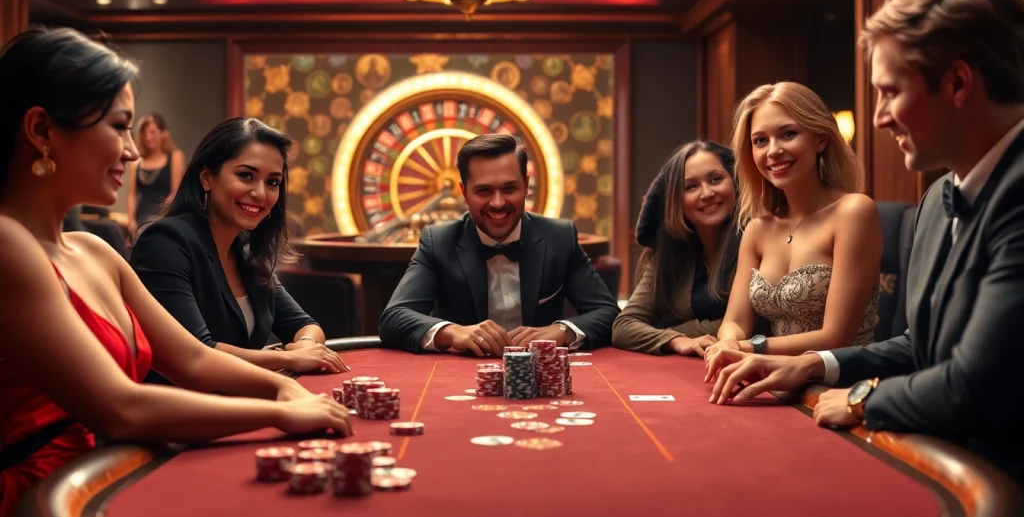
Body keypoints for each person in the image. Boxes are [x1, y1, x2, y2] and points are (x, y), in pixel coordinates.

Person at [0, 27, 351, 515]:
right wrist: (279, 411)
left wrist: (280, 384)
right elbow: (121, 408)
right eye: (119, 126)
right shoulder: (7, 243)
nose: (134, 152)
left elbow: (193, 359)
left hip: (110, 475)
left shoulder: (94, 251)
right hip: (47, 498)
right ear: (41, 131)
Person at [705, 0, 1024, 485]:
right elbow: (918, 346)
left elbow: (974, 386)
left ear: (959, 82)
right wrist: (814, 366)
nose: (877, 117)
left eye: (890, 91)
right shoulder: (939, 198)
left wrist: (862, 395)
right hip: (931, 453)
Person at [131, 117, 349, 377]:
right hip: (182, 410)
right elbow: (197, 353)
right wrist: (288, 359)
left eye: (273, 182)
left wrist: (305, 347)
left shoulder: (244, 252)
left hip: (240, 402)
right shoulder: (165, 243)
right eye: (246, 175)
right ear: (207, 178)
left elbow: (306, 325)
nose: (261, 193)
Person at [378, 133, 620, 355]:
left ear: (525, 186)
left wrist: (560, 330)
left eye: (509, 188)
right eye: (483, 191)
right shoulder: (439, 242)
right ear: (464, 192)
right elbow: (393, 318)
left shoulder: (560, 238)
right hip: (457, 377)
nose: (497, 203)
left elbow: (609, 314)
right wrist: (453, 332)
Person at [702, 82, 882, 361]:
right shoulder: (757, 229)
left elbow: (836, 337)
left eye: (788, 134)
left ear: (820, 139)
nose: (773, 150)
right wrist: (729, 342)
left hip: (840, 383)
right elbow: (735, 322)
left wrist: (747, 348)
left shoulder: (854, 211)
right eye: (760, 140)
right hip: (772, 377)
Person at [611, 141, 741, 356]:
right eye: (691, 187)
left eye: (715, 179)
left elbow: (751, 325)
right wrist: (676, 340)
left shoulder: (757, 240)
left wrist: (666, 331)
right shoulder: (668, 253)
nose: (707, 193)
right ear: (675, 200)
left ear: (735, 182)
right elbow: (623, 326)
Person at [126, 113, 184, 232]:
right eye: (145, 133)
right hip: (140, 220)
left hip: (164, 219)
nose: (148, 137)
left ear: (163, 134)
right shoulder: (136, 161)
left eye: (152, 132)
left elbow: (175, 192)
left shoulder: (175, 157)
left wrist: (158, 217)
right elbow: (132, 194)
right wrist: (131, 221)